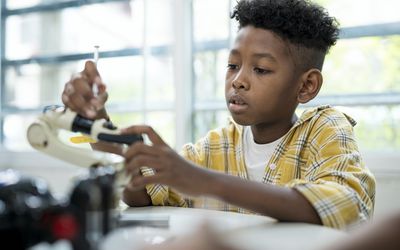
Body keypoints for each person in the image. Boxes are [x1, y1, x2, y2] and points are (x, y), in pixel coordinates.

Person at [62, 0, 375, 229]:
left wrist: (204, 181)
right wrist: (96, 121)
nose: (237, 79)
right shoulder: (218, 145)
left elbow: (343, 204)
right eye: (232, 65)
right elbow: (143, 193)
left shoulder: (324, 129)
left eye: (261, 69)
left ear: (306, 86)